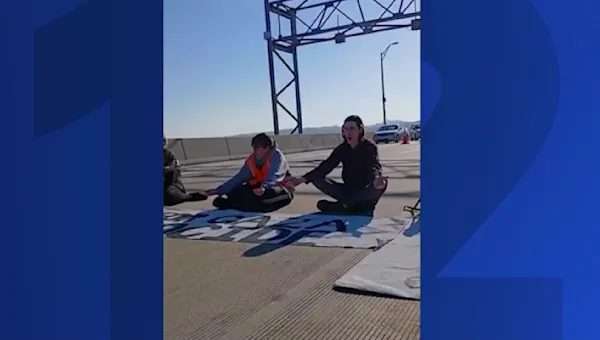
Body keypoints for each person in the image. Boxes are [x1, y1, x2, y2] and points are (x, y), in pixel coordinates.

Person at [284, 115, 388, 215]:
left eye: (352, 128)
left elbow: (374, 166)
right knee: (316, 178)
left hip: (366, 191)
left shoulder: (369, 147)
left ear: (360, 130)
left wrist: (376, 179)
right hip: (348, 190)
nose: (348, 132)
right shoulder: (342, 149)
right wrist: (301, 180)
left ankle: (345, 206)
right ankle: (350, 206)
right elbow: (325, 167)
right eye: (345, 129)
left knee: (381, 184)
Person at [206, 133, 294, 212]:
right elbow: (239, 178)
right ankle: (239, 203)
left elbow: (274, 175)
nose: (256, 151)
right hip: (258, 188)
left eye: (258, 148)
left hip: (276, 187)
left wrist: (264, 187)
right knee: (235, 191)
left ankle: (237, 204)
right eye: (254, 148)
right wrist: (219, 190)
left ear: (267, 148)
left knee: (268, 197)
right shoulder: (252, 159)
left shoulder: (276, 156)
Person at [164, 137, 208, 206]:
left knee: (169, 197)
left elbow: (171, 168)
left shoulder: (169, 154)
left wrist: (166, 169)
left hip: (170, 184)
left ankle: (190, 196)